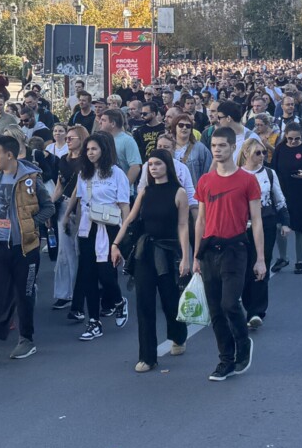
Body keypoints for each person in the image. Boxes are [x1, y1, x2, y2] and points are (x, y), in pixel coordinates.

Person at [0, 135, 54, 367]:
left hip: (25, 248)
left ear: (9, 154)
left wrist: (31, 223)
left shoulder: (31, 178)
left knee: (24, 294)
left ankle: (27, 339)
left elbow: (49, 207)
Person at [193, 126, 265, 382]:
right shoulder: (205, 181)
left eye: (222, 145)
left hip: (236, 248)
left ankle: (243, 344)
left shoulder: (247, 180)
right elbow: (200, 220)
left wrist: (260, 259)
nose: (217, 150)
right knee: (215, 311)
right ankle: (226, 360)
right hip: (209, 250)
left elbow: (256, 220)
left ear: (233, 147)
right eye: (214, 146)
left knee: (229, 304)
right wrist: (195, 256)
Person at [111, 149, 191, 372]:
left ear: (167, 165)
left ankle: (178, 335)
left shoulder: (179, 192)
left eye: (157, 164)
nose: (153, 168)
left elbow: (183, 226)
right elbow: (130, 219)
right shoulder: (145, 192)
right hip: (144, 252)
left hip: (168, 252)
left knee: (170, 301)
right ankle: (147, 356)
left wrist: (186, 256)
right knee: (144, 303)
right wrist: (115, 244)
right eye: (150, 165)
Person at [63, 132, 131, 341]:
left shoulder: (117, 174)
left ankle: (119, 301)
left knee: (106, 275)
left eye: (94, 149)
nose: (90, 153)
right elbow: (79, 198)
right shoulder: (85, 173)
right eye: (88, 149)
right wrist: (67, 217)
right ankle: (93, 321)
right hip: (88, 228)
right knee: (88, 275)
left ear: (104, 150)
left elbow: (124, 206)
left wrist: (125, 234)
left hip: (110, 228)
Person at [237, 139, 290, 328]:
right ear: (246, 154)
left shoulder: (269, 173)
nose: (261, 156)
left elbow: (279, 198)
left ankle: (256, 311)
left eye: (263, 153)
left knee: (261, 263)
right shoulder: (237, 174)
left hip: (266, 223)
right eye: (257, 153)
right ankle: (246, 301)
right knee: (243, 266)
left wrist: (285, 222)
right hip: (241, 226)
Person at [272, 125, 302, 272]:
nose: (293, 141)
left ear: (301, 137)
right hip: (283, 192)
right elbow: (273, 170)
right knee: (280, 226)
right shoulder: (280, 149)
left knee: (300, 228)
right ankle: (283, 257)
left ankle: (299, 261)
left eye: (297, 139)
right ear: (285, 136)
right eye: (290, 138)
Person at [51, 125, 88, 315]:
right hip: (64, 204)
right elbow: (60, 185)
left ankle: (78, 292)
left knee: (79, 250)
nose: (68, 140)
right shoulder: (63, 161)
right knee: (64, 252)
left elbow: (78, 189)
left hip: (80, 207)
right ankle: (65, 293)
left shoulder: (85, 161)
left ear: (81, 139)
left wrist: (66, 215)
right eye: (67, 138)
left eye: (72, 138)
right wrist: (49, 205)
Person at [172, 114, 211, 186]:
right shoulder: (168, 147)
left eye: (188, 126)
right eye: (181, 125)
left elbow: (208, 172)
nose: (184, 128)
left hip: (194, 192)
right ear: (175, 127)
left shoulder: (200, 148)